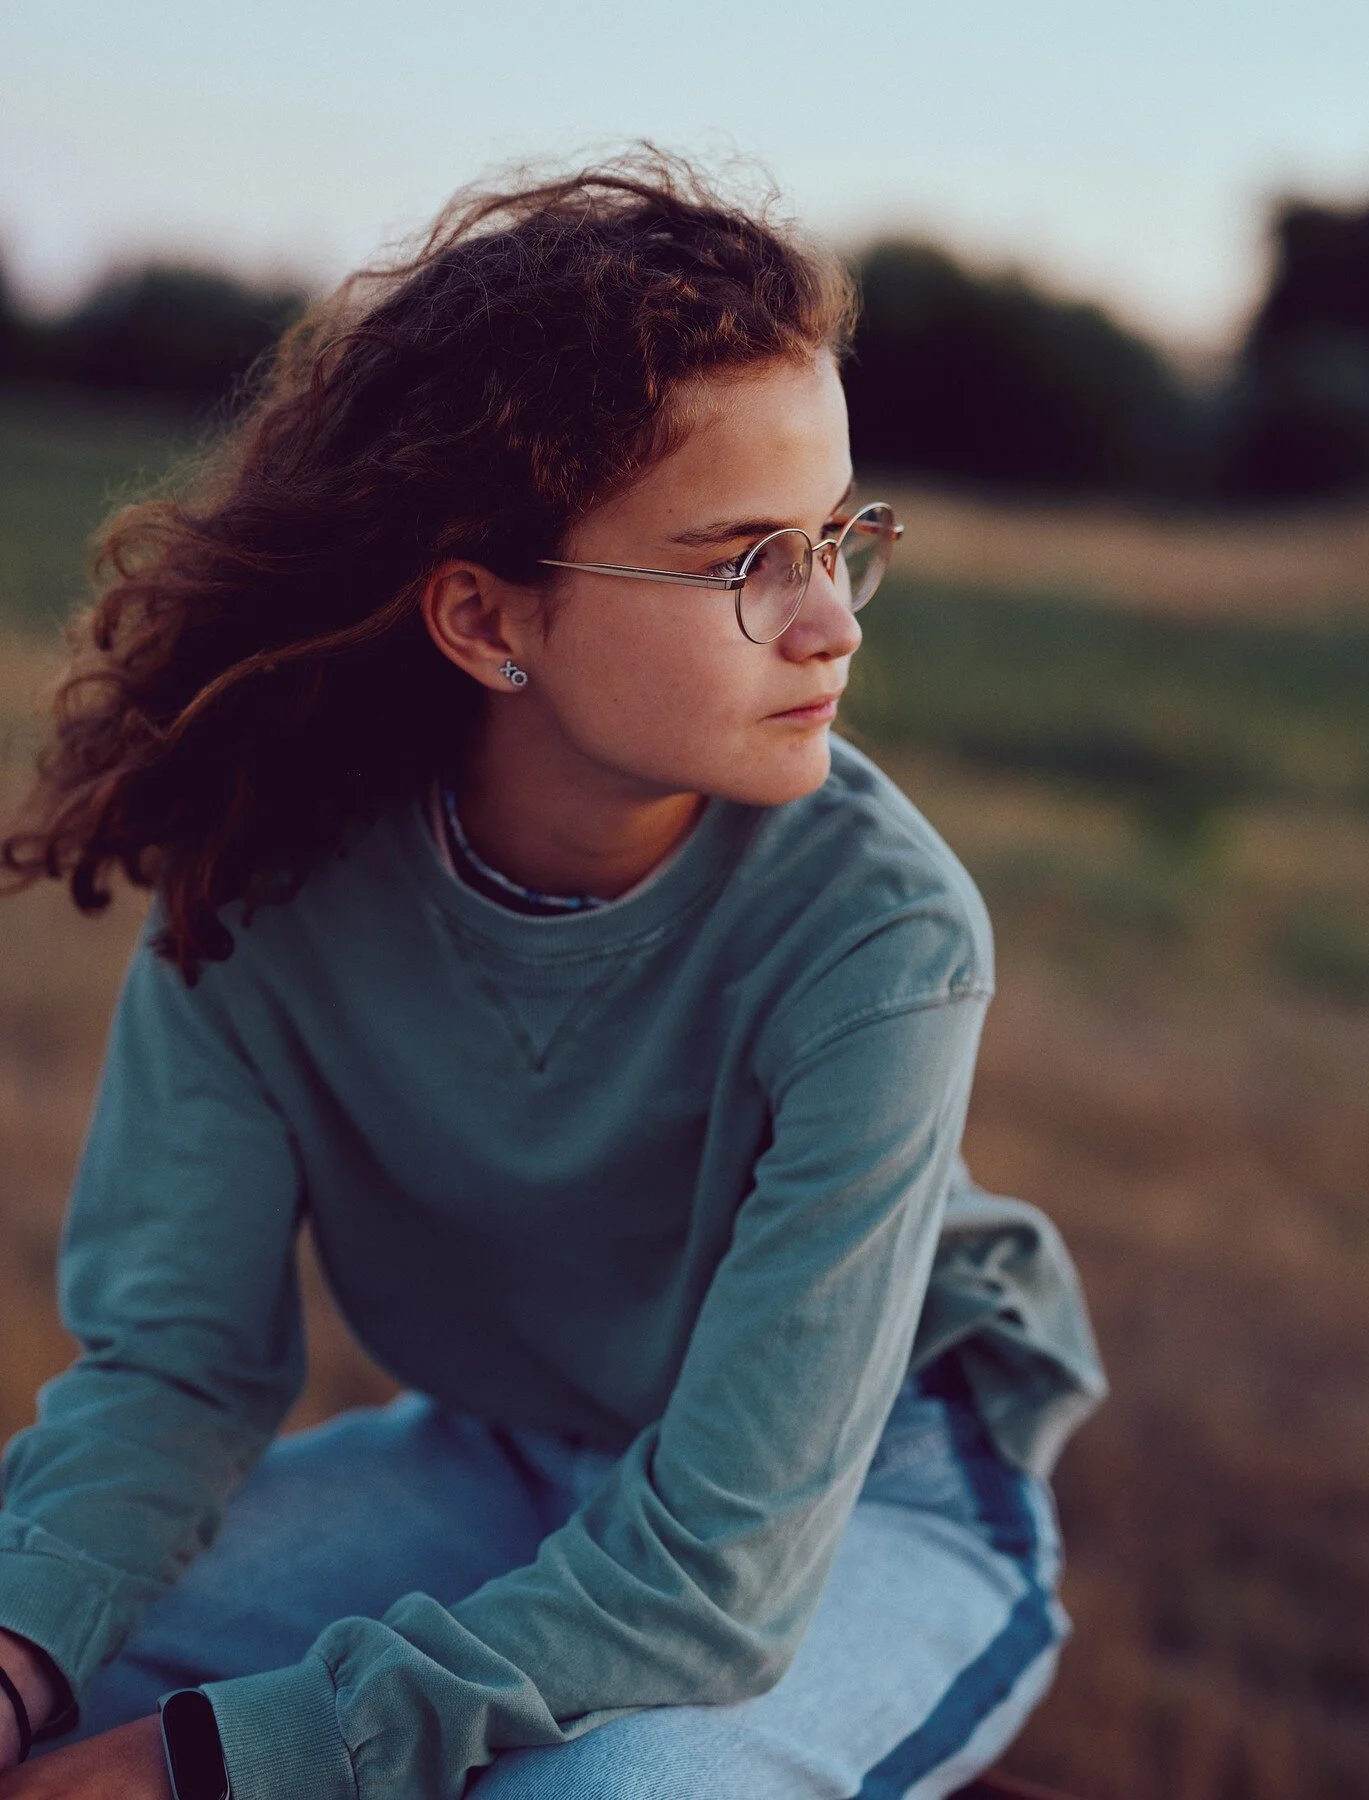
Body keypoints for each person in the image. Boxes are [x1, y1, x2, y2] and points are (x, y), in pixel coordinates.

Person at [0, 154, 1104, 1800]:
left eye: (836, 540)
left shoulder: (884, 936)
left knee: (598, 1791)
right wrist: (22, 1656)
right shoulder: (267, 872)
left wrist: (207, 1766)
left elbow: (716, 1582)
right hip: (516, 1451)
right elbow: (173, 1372)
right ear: (482, 614)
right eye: (745, 560)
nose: (829, 625)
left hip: (867, 1500)